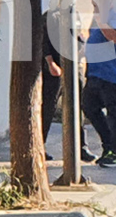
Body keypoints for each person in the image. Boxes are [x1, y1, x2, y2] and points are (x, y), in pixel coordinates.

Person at [82, 0, 116, 167]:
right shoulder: (99, 16)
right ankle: (108, 143)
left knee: (115, 112)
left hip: (113, 73)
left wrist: (100, 17)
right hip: (95, 72)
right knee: (89, 107)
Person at [41, 10, 96, 162]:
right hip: (56, 69)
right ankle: (40, 146)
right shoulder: (50, 16)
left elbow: (79, 36)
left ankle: (81, 147)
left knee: (77, 107)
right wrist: (50, 63)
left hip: (74, 67)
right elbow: (43, 42)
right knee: (48, 108)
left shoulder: (75, 13)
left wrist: (82, 51)